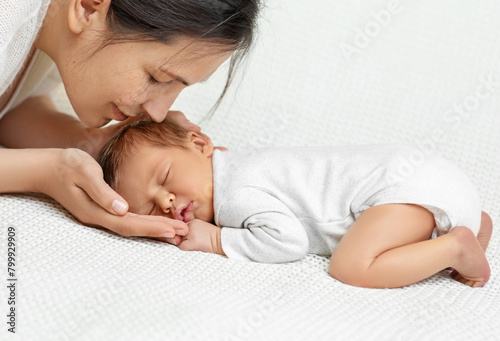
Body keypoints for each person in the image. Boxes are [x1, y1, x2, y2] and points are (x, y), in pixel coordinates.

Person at [97, 118, 492, 289]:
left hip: (403, 187)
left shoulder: (234, 192)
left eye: (164, 178)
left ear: (201, 145)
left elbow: (288, 242)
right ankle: (477, 224)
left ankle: (455, 244)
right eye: (148, 208)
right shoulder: (242, 163)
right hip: (438, 180)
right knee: (377, 238)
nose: (164, 202)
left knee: (351, 267)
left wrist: (218, 241)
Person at [0, 0, 260, 242]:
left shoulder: (60, 38)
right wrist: (46, 171)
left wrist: (90, 143)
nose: (158, 113)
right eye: (156, 78)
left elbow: (10, 106)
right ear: (88, 7)